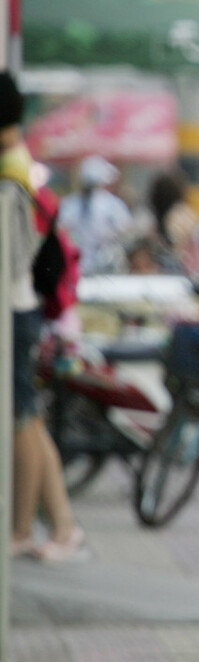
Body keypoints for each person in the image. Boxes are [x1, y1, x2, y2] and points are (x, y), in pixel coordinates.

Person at [2, 71, 86, 562]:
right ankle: (62, 525)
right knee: (27, 418)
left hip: (12, 310)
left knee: (19, 418)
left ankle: (20, 530)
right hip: (25, 307)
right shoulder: (20, 165)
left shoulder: (9, 173)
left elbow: (10, 258)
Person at [57, 154, 132, 275]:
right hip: (91, 263)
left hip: (92, 263)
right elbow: (126, 229)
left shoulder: (70, 204)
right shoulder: (112, 204)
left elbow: (61, 230)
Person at [142, 169, 199, 282]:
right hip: (194, 274)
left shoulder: (173, 217)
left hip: (178, 275)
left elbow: (174, 250)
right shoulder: (189, 215)